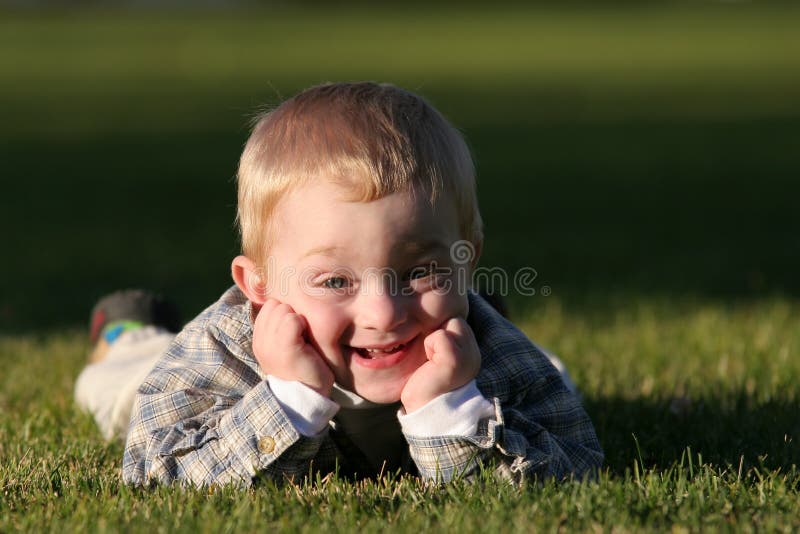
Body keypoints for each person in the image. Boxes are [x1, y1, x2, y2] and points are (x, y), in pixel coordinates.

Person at [77, 82, 603, 487]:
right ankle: (134, 332)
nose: (383, 314)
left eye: (420, 271)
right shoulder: (219, 354)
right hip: (205, 384)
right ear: (259, 284)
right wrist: (287, 400)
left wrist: (452, 412)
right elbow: (156, 474)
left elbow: (574, 467)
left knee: (543, 370)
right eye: (334, 280)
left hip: (464, 331)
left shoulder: (488, 348)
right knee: (121, 386)